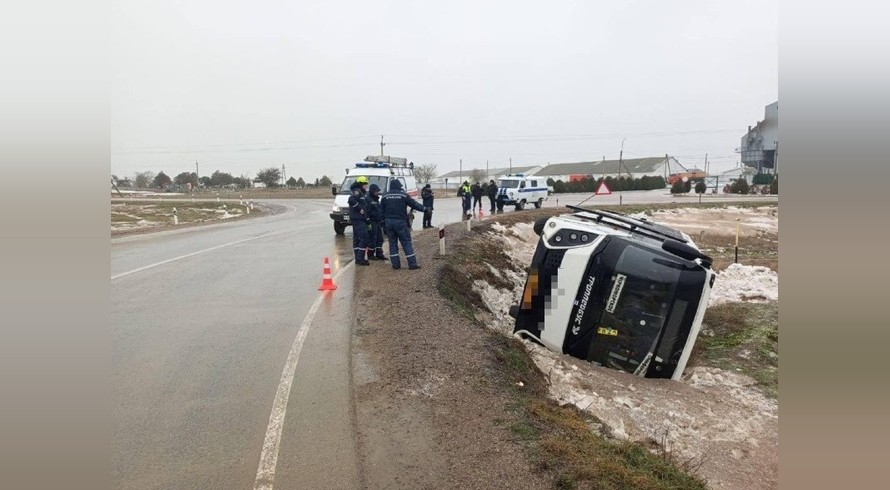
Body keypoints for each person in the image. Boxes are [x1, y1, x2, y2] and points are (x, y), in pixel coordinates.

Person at [380, 179, 428, 270]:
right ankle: (412, 264)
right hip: (400, 222)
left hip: (388, 223)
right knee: (406, 243)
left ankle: (395, 265)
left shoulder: (384, 196)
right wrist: (425, 209)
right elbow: (414, 204)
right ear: (399, 186)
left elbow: (380, 211)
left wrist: (382, 223)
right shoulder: (403, 195)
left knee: (392, 244)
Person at [348, 176, 371, 266]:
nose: (366, 186)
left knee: (357, 239)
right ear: (361, 184)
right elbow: (351, 200)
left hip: (359, 218)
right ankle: (360, 258)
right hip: (358, 218)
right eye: (365, 184)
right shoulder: (357, 191)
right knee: (364, 238)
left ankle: (358, 258)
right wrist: (359, 208)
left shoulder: (361, 192)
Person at [366, 183, 386, 260]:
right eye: (376, 191)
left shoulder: (376, 199)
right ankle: (370, 254)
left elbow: (378, 209)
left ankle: (379, 253)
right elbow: (367, 211)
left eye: (378, 191)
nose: (377, 192)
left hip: (377, 221)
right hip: (371, 221)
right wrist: (368, 220)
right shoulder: (368, 199)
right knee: (372, 238)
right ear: (372, 191)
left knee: (380, 238)